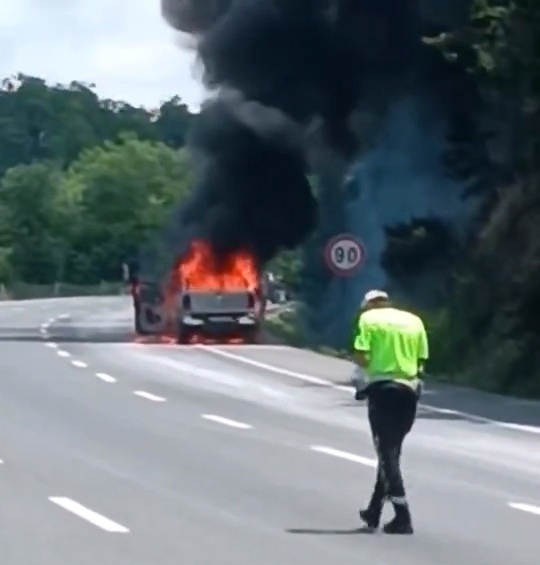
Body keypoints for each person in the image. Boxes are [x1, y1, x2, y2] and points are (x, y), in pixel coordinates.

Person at [352, 289, 428, 534]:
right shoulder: (414, 321)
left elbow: (361, 356)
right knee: (390, 452)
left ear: (369, 305)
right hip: (408, 391)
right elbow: (421, 360)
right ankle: (374, 511)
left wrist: (364, 377)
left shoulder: (369, 320)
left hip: (383, 391)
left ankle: (402, 515)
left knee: (387, 453)